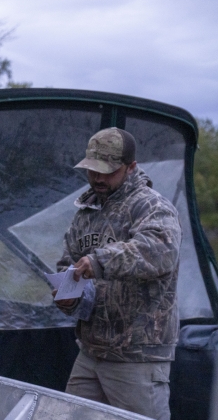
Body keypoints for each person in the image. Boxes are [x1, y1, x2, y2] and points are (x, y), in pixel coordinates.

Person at [53, 127, 181, 420]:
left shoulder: (151, 205)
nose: (98, 178)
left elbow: (159, 252)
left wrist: (99, 261)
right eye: (92, 170)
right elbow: (69, 263)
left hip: (137, 356)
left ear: (131, 167)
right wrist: (69, 297)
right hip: (91, 352)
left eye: (107, 171)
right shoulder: (86, 211)